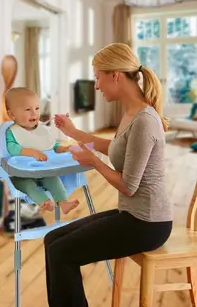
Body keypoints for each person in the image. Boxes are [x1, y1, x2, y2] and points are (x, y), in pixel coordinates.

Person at [44, 43, 173, 307]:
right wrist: (72, 131)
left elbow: (128, 186)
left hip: (147, 224)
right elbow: (112, 147)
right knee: (52, 239)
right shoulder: (131, 114)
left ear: (115, 75)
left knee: (61, 253)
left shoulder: (144, 120)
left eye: (98, 77)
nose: (96, 86)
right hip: (132, 216)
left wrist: (93, 162)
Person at [5, 87, 79, 214]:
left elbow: (52, 145)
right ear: (12, 115)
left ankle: (63, 202)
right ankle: (43, 202)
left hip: (43, 171)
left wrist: (64, 149)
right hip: (20, 175)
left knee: (53, 179)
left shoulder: (42, 129)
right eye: (28, 109)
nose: (34, 113)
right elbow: (12, 148)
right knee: (28, 185)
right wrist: (33, 152)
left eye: (37, 108)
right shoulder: (12, 132)